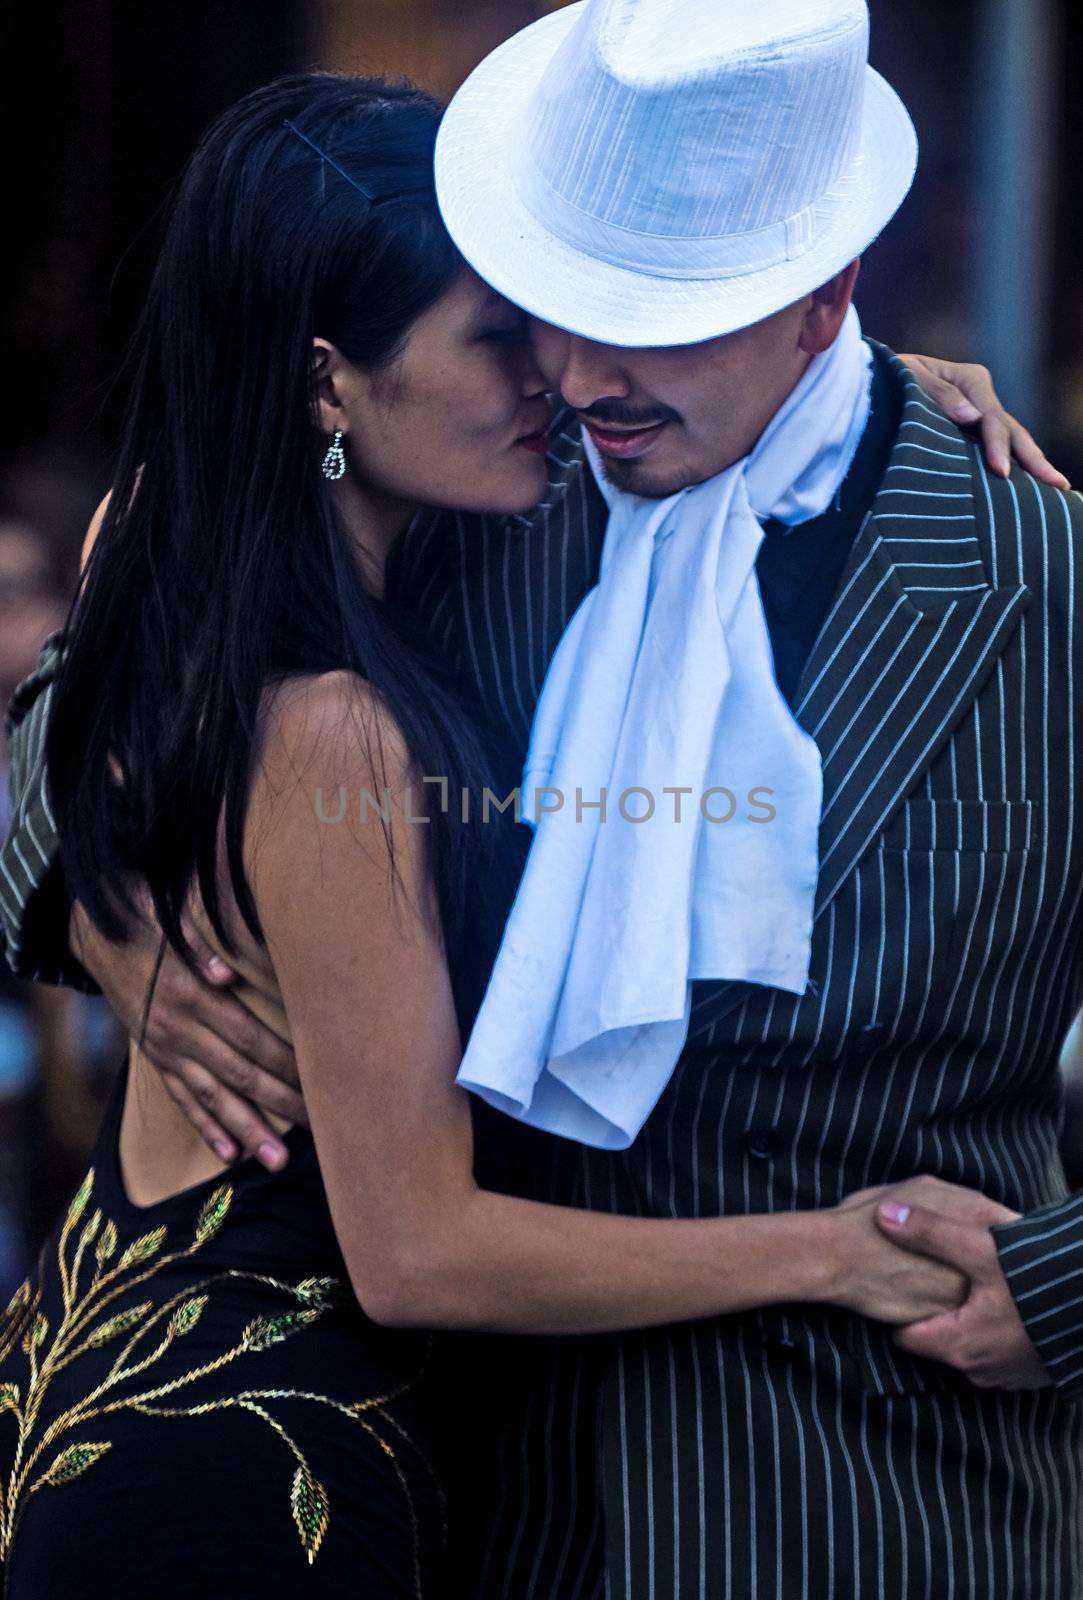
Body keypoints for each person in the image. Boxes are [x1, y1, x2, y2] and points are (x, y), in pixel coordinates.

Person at [0, 22, 1074, 1600]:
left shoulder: (1039, 586)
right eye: (564, 312)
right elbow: (93, 695)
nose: (576, 375)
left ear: (821, 298)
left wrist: (1057, 1293)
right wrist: (127, 911)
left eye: (655, 326)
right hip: (461, 1508)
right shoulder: (476, 480)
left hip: (880, 1515)